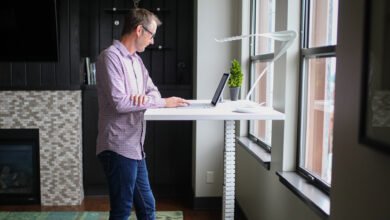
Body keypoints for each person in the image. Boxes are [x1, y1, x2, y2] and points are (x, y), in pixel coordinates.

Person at [95, 8, 189, 220]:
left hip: (135, 147)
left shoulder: (136, 61)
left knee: (147, 205)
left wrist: (143, 99)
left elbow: (152, 90)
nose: (153, 41)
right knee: (122, 210)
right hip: (117, 146)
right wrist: (161, 102)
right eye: (151, 35)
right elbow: (121, 102)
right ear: (139, 30)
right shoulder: (109, 58)